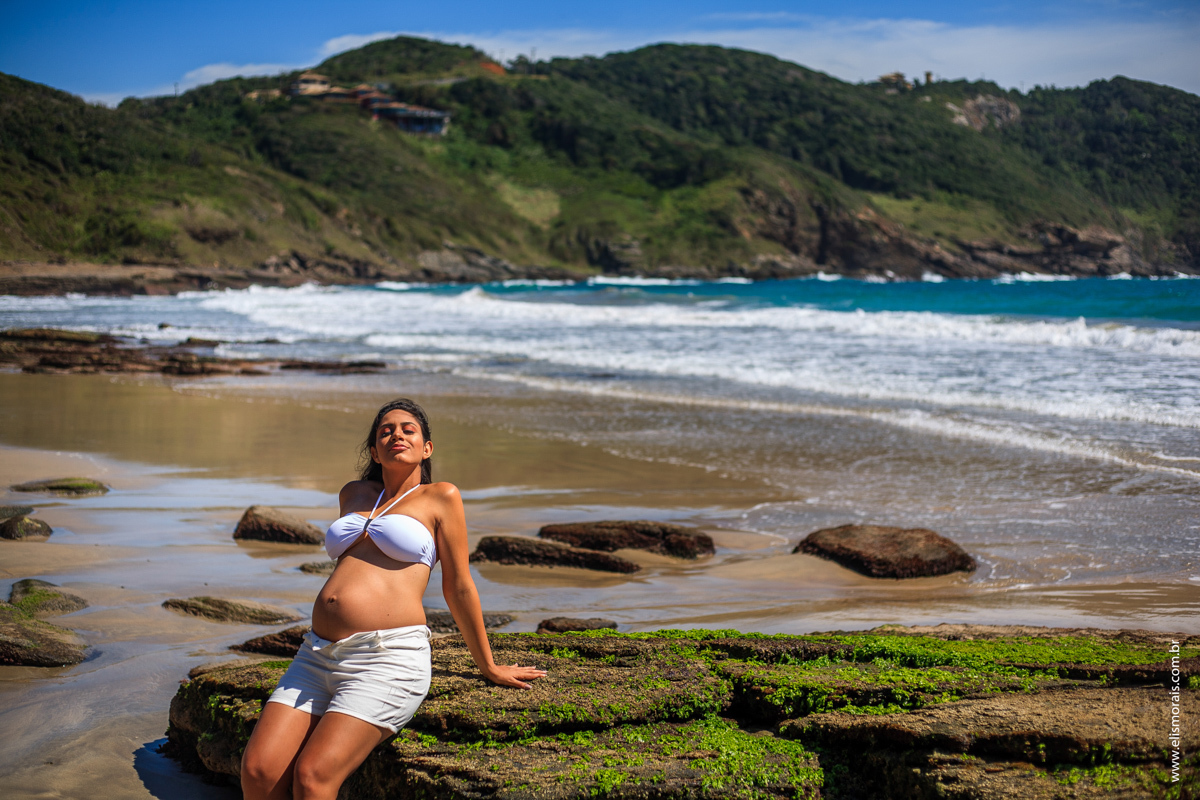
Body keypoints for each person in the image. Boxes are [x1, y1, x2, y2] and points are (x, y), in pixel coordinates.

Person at [241, 398, 546, 800]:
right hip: (316, 655)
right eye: (385, 431)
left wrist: (487, 665)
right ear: (374, 451)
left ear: (427, 448)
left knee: (312, 777)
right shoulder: (354, 494)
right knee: (258, 772)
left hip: (386, 658)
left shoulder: (441, 497)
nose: (396, 435)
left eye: (407, 429)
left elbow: (458, 586)